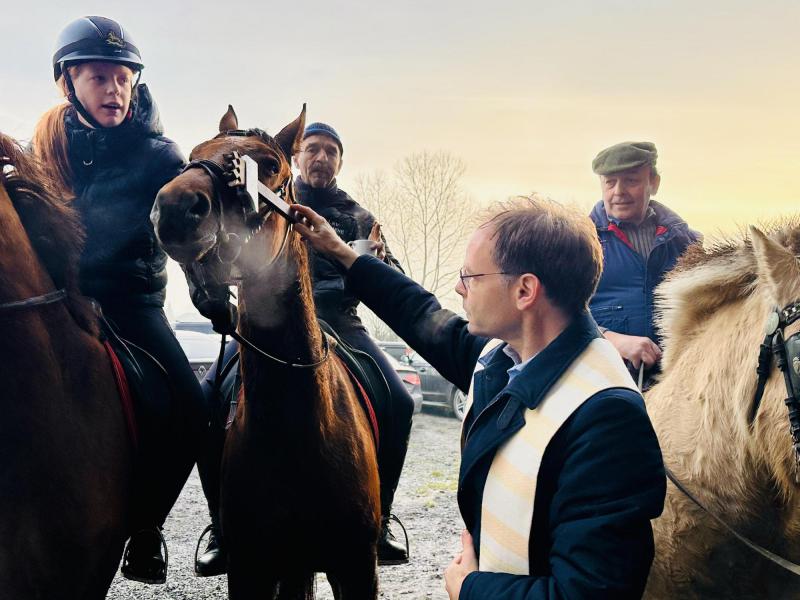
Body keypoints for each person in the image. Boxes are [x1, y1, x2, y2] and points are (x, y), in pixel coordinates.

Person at [290, 196, 666, 599]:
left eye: (470, 277)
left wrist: (471, 589)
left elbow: (588, 593)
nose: (458, 287)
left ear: (525, 291)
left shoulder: (606, 419)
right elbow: (420, 312)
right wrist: (344, 254)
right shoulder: (504, 356)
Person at [193, 121, 414, 574]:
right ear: (296, 158)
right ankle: (221, 525)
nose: (321, 157)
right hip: (274, 326)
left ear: (340, 161)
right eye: (313, 148)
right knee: (205, 398)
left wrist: (379, 258)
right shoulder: (265, 198)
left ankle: (381, 515)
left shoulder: (359, 215)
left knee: (402, 400)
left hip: (340, 322)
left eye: (331, 151)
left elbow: (386, 272)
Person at [32, 16, 207, 585]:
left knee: (191, 406)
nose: (115, 91)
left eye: (124, 78)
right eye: (100, 78)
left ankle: (148, 527)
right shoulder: (45, 146)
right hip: (60, 300)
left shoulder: (159, 155)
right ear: (68, 83)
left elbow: (188, 226)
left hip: (132, 305)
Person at [588, 142, 701, 381]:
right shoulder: (580, 243)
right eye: (610, 182)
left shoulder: (688, 243)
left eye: (630, 180)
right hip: (601, 384)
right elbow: (557, 317)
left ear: (654, 183)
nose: (618, 191)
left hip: (676, 384)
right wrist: (612, 341)